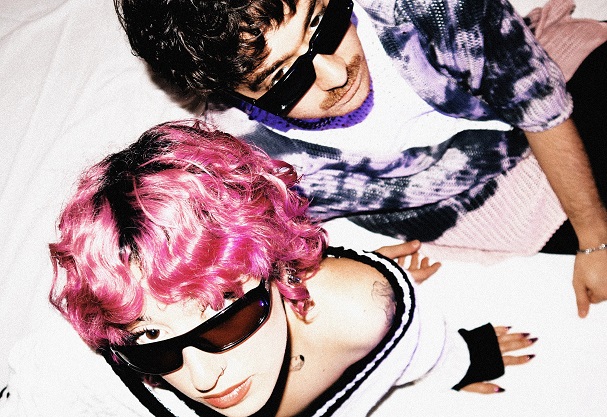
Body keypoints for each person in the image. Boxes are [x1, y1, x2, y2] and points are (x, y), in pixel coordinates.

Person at [112, 0, 607, 319]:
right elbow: (235, 274)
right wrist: (350, 274)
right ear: (229, 94)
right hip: (487, 201)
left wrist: (594, 239)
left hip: (562, 81)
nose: (334, 74)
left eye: (322, 24)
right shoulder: (251, 165)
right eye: (283, 79)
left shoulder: (429, 8)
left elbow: (538, 101)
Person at [44, 121, 533, 416]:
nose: (203, 378)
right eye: (150, 336)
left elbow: (419, 346)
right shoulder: (94, 377)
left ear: (277, 266)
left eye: (223, 311)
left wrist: (463, 361)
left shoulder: (364, 310)